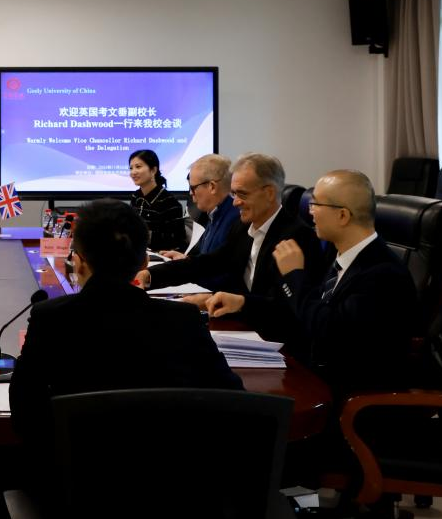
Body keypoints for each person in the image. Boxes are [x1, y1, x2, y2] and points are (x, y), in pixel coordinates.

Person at [10, 200, 242, 464]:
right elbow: (233, 398)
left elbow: (25, 413)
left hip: (74, 478)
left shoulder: (50, 319)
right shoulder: (184, 320)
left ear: (78, 262)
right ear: (144, 262)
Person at [206, 170, 417, 396]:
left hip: (346, 396)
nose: (310, 212)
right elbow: (303, 311)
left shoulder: (383, 273)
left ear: (343, 216)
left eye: (316, 204)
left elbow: (328, 331)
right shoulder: (338, 256)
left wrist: (294, 276)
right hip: (312, 374)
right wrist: (243, 303)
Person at [138, 152, 324, 300]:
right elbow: (207, 263)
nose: (235, 202)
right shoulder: (243, 227)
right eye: (234, 194)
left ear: (269, 193)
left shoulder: (298, 238)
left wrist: (237, 303)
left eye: (242, 194)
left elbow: (284, 306)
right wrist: (150, 275)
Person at [129, 149, 188, 252]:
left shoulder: (170, 202)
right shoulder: (135, 197)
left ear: (153, 170)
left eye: (138, 167)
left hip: (160, 255)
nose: (133, 172)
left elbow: (177, 240)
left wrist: (144, 235)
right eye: (131, 168)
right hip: (137, 253)